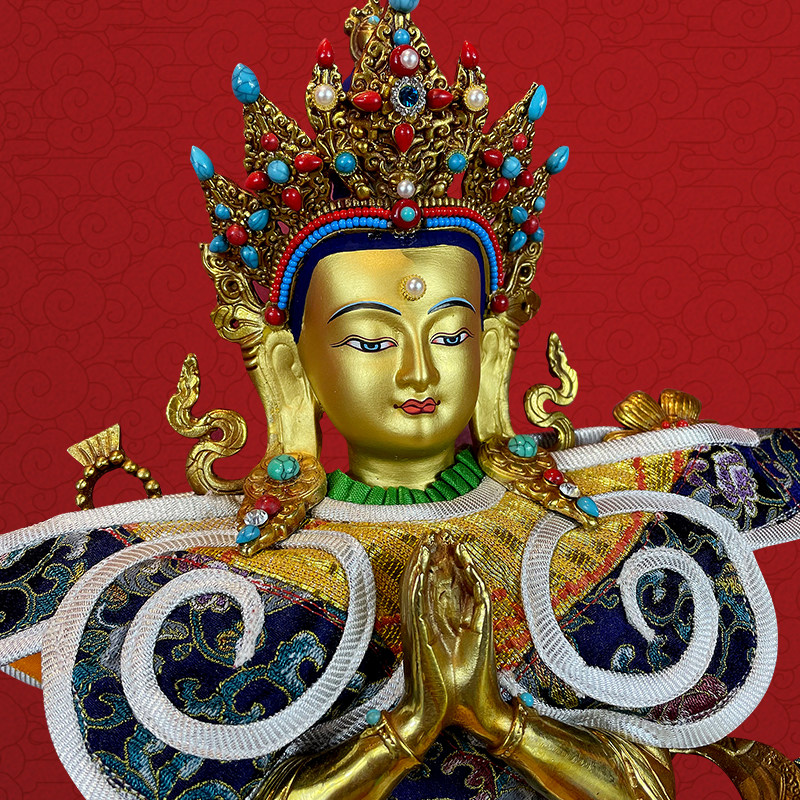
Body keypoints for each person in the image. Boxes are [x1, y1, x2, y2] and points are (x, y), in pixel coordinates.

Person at [0, 2, 798, 798]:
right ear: (290, 366)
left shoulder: (596, 532)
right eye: (372, 342)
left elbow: (645, 787)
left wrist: (502, 721)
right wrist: (408, 729)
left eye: (449, 335)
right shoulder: (252, 577)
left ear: (493, 346)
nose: (419, 373)